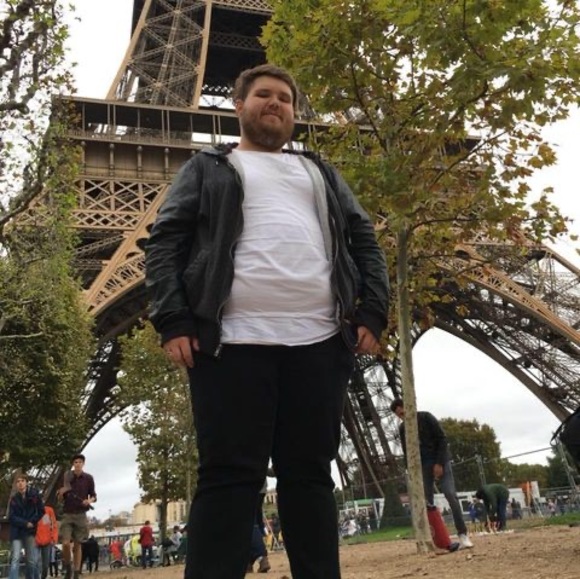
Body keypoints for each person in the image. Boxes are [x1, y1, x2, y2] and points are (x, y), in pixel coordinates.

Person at [145, 63, 389, 579]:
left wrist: (373, 308)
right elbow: (165, 241)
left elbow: (362, 236)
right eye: (262, 94)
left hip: (320, 341)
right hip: (230, 343)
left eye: (284, 97)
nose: (274, 102)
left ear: (295, 111)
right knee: (228, 478)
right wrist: (173, 318)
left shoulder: (319, 171)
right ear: (238, 105)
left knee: (310, 477)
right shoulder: (208, 167)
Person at [390, 398, 473, 550]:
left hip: (440, 461)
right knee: (427, 503)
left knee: (450, 494)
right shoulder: (403, 429)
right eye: (400, 416)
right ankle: (438, 539)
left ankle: (462, 534)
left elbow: (442, 439)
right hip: (423, 467)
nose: (403, 417)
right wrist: (411, 471)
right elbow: (407, 451)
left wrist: (439, 463)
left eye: (403, 413)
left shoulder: (426, 417)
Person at [57, 454, 96, 579]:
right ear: (73, 464)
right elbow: (60, 498)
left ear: (83, 464)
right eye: (75, 462)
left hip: (81, 514)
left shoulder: (89, 478)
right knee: (65, 543)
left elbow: (94, 495)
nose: (77, 464)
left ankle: (76, 572)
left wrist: (89, 501)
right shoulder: (67, 477)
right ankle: (68, 566)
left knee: (78, 544)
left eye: (80, 462)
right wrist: (61, 494)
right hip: (67, 513)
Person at [8, 473, 44, 579]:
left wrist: (33, 522)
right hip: (17, 531)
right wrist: (25, 523)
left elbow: (41, 511)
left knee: (31, 560)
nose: (20, 483)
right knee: (15, 558)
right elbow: (11, 516)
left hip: (29, 531)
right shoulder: (14, 499)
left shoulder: (34, 495)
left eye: (22, 481)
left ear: (27, 482)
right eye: (18, 482)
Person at [36, 503, 58, 579]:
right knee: (35, 562)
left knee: (45, 565)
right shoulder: (31, 509)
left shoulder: (48, 510)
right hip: (34, 541)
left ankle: (43, 577)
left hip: (47, 541)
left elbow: (53, 525)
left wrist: (53, 538)